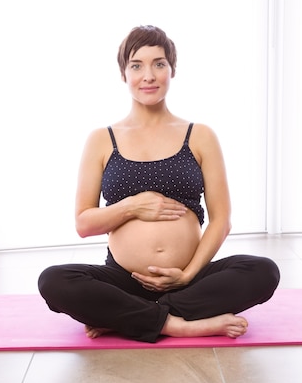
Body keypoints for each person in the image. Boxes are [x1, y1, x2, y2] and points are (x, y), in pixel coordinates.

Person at [38, 25, 280, 343]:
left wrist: (188, 273)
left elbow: (222, 220)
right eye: (137, 65)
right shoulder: (101, 140)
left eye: (159, 64)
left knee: (264, 271)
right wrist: (132, 206)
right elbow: (84, 223)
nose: (148, 75)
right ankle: (177, 323)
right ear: (124, 74)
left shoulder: (200, 135)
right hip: (122, 278)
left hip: (188, 278)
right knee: (54, 281)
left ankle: (127, 316)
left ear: (172, 70)